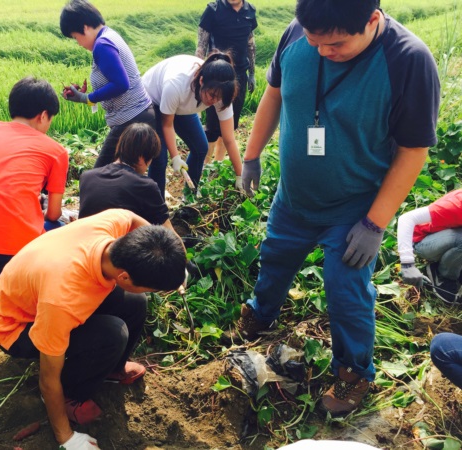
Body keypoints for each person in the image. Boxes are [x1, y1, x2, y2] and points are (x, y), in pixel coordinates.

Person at [238, 0, 440, 415]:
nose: (322, 53)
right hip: (293, 197)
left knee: (346, 292)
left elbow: (413, 149)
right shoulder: (298, 35)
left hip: (353, 207)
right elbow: (274, 94)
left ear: (371, 20)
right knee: (274, 257)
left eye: (335, 45)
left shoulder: (408, 60)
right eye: (314, 42)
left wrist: (374, 222)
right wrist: (252, 154)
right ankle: (262, 313)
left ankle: (354, 373)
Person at [0, 209, 186, 449]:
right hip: (15, 325)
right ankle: (72, 393)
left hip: (39, 292)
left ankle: (113, 370)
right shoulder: (62, 299)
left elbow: (134, 219)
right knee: (113, 334)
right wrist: (67, 438)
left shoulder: (112, 227)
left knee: (136, 302)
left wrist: (174, 263)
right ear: (123, 278)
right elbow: (48, 377)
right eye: (153, 288)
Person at [0, 77, 68, 295]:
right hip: (15, 249)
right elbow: (53, 214)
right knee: (60, 230)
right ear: (43, 115)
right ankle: (35, 296)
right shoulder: (56, 151)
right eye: (50, 119)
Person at [60, 0, 155, 169]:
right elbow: (113, 78)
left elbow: (121, 83)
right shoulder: (109, 35)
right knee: (123, 175)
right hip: (139, 115)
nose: (79, 44)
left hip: (130, 119)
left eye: (76, 37)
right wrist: (86, 94)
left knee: (99, 175)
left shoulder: (102, 45)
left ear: (85, 27)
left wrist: (87, 98)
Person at [142, 53, 243, 196]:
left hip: (183, 104)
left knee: (201, 147)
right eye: (212, 96)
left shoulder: (221, 92)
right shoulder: (176, 85)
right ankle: (157, 209)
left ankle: (189, 196)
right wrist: (175, 157)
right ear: (201, 81)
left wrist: (240, 175)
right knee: (160, 157)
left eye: (219, 98)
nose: (214, 101)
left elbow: (229, 139)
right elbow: (167, 125)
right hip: (153, 101)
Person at [196, 0, 257, 164]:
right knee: (212, 126)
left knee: (230, 126)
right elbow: (201, 45)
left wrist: (252, 73)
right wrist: (198, 74)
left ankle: (218, 165)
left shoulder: (249, 11)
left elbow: (250, 43)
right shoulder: (213, 9)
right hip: (216, 75)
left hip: (239, 75)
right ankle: (204, 166)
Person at [79, 123, 171, 228]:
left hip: (86, 242)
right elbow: (169, 232)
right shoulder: (145, 186)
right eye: (150, 159)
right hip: (118, 243)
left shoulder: (87, 177)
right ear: (141, 158)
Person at [397, 189, 462, 304]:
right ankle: (443, 277)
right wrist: (407, 264)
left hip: (449, 235)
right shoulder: (457, 205)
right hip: (423, 241)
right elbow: (406, 219)